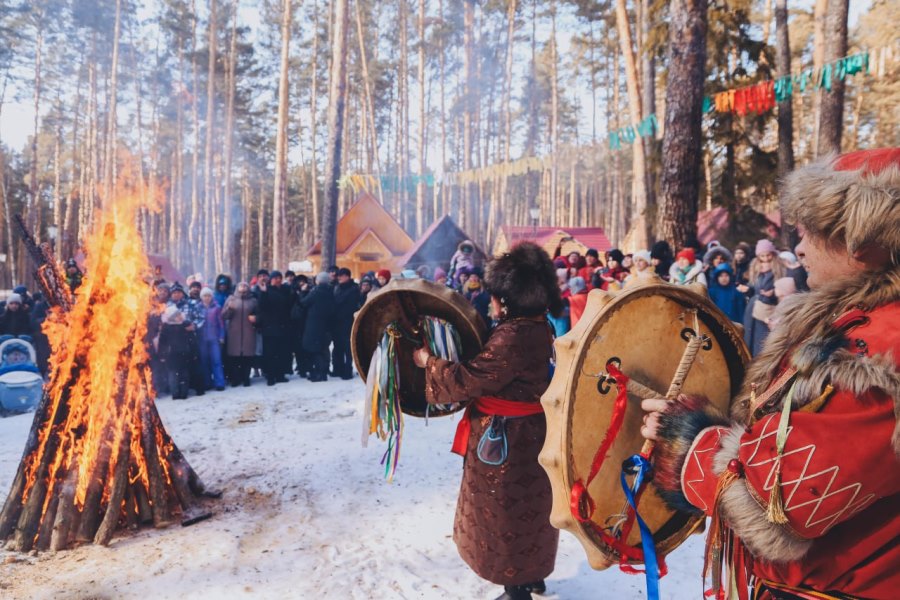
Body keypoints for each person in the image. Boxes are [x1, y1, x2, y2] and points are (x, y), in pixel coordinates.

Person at [640, 148, 900, 600]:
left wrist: (685, 443)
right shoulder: (860, 322)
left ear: (868, 240)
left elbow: (778, 504)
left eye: (817, 231)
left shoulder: (877, 352)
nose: (799, 248)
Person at [413, 242, 562, 600]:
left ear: (508, 299)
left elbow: (469, 380)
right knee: (533, 510)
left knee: (504, 513)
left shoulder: (513, 335)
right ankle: (533, 575)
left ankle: (516, 588)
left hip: (506, 442)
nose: (493, 302)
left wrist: (428, 362)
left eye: (496, 296)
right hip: (532, 434)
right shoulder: (540, 325)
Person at [741, 239, 785, 356]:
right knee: (751, 336)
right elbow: (753, 286)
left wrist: (773, 292)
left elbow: (784, 288)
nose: (765, 258)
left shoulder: (779, 268)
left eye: (768, 255)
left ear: (773, 254)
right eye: (762, 256)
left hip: (769, 308)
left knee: (763, 338)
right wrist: (748, 289)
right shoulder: (756, 268)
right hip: (753, 308)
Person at [257, 270, 293, 385]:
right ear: (271, 279)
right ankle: (270, 376)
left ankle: (280, 375)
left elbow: (290, 304)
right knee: (270, 353)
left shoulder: (285, 290)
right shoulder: (266, 290)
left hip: (283, 326)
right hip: (269, 327)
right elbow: (262, 306)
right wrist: (263, 293)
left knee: (282, 352)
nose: (278, 280)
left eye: (279, 278)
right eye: (275, 278)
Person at [221, 282, 258, 387]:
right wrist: (230, 309)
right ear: (237, 288)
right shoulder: (231, 299)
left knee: (247, 356)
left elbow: (259, 314)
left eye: (246, 286)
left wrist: (256, 318)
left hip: (249, 332)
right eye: (241, 286)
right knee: (234, 357)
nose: (243, 287)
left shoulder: (253, 300)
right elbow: (224, 316)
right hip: (234, 332)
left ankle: (246, 378)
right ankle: (235, 379)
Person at [301, 272, 336, 382]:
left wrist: (303, 292)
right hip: (327, 325)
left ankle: (319, 374)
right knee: (323, 349)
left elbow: (303, 303)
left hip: (314, 325)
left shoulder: (316, 292)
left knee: (315, 350)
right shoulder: (331, 291)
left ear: (318, 280)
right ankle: (324, 372)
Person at [157, 306, 193, 400]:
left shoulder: (184, 325)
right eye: (177, 315)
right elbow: (162, 342)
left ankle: (183, 393)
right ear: (172, 317)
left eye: (179, 314)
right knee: (173, 374)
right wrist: (162, 354)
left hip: (183, 353)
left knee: (184, 374)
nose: (180, 316)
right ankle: (175, 393)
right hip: (172, 354)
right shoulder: (166, 327)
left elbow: (190, 338)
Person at [332, 268, 361, 380]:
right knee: (338, 347)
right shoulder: (337, 287)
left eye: (342, 275)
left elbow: (345, 304)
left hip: (348, 322)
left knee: (348, 348)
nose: (339, 277)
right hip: (338, 322)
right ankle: (338, 369)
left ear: (348, 277)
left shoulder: (353, 289)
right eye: (338, 275)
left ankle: (347, 371)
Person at [198, 288, 226, 391]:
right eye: (205, 296)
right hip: (202, 339)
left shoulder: (217, 307)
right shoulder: (198, 307)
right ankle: (207, 382)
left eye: (209, 295)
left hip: (214, 337)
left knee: (216, 360)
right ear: (201, 297)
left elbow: (221, 324)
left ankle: (219, 382)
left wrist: (222, 336)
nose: (207, 298)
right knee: (204, 361)